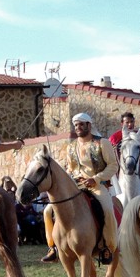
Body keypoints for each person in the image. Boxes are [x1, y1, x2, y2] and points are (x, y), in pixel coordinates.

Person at [42, 112, 118, 264]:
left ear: (89, 125)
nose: (78, 128)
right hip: (76, 186)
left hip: (97, 185)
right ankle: (53, 247)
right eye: (76, 125)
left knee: (108, 209)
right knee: (48, 210)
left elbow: (113, 166)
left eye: (81, 124)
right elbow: (70, 169)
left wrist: (96, 178)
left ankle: (107, 247)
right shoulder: (71, 147)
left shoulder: (102, 143)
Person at [109, 111, 140, 190]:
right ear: (122, 124)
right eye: (127, 122)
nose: (130, 124)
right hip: (119, 168)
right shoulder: (114, 138)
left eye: (131, 122)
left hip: (139, 167)